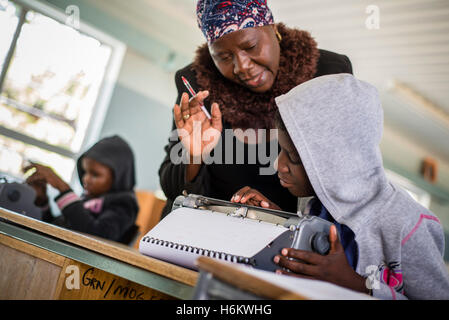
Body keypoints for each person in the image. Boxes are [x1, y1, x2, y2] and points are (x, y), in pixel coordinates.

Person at [231, 73, 449, 299]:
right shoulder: (319, 202)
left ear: (336, 162)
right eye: (282, 149)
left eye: (294, 157)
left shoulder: (409, 224)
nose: (278, 164)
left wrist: (360, 287)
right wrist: (281, 225)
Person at [159, 0, 353, 217]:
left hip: (290, 237)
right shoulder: (197, 85)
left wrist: (283, 220)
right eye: (224, 57)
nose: (242, 67)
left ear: (273, 28)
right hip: (207, 228)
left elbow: (343, 179)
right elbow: (173, 190)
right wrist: (194, 155)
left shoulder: (327, 74)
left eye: (250, 47)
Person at [24, 135, 139, 245]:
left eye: (95, 174)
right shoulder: (88, 198)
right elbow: (58, 228)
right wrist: (42, 200)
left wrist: (63, 188)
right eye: (85, 171)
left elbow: (96, 236)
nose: (86, 178)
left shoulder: (125, 204)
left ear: (118, 177)